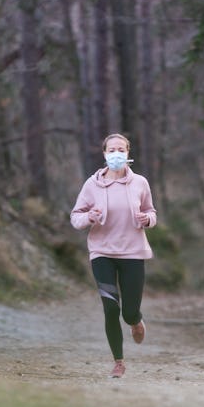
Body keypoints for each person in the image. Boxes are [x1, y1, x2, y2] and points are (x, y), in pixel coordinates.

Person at [70, 133, 157, 378]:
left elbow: (151, 211)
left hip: (132, 252)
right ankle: (118, 361)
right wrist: (89, 217)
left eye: (121, 149)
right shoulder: (92, 185)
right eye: (112, 149)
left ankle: (136, 321)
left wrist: (147, 219)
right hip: (102, 253)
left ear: (128, 153)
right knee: (110, 308)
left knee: (129, 311)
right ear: (105, 154)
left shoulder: (140, 182)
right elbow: (76, 216)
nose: (116, 153)